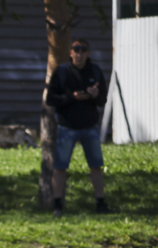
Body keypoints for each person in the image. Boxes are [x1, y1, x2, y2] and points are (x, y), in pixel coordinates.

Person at [46, 38, 109, 217]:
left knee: (96, 165)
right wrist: (72, 97)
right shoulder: (62, 72)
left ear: (88, 53)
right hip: (67, 127)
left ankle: (100, 203)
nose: (79, 54)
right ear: (71, 52)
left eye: (83, 50)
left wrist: (95, 95)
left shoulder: (95, 71)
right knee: (60, 166)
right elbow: (50, 99)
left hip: (90, 126)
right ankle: (58, 205)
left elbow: (103, 100)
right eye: (76, 50)